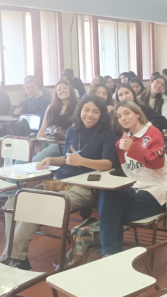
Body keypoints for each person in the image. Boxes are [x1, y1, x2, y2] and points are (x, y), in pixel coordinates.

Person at [1, 95, 117, 270]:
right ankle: (17, 257)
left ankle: (11, 257)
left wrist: (82, 161)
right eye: (86, 110)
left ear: (101, 114)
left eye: (96, 111)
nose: (90, 115)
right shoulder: (72, 130)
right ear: (80, 110)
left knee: (34, 207)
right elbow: (68, 158)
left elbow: (108, 163)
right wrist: (50, 159)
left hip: (84, 187)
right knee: (13, 201)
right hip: (60, 182)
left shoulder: (107, 133)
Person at [98, 100, 167, 257]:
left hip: (156, 191)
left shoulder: (153, 132)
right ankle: (110, 254)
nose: (123, 118)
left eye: (127, 113)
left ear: (137, 114)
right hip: (135, 187)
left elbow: (157, 162)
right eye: (118, 116)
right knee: (107, 195)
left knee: (109, 211)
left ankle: (110, 253)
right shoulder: (121, 143)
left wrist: (133, 148)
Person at [35, 81, 78, 161]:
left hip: (61, 143)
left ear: (71, 90)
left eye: (65, 88)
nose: (62, 91)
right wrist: (38, 144)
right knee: (22, 158)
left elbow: (73, 130)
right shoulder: (51, 107)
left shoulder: (77, 106)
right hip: (47, 140)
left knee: (36, 160)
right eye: (59, 89)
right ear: (56, 92)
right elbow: (43, 126)